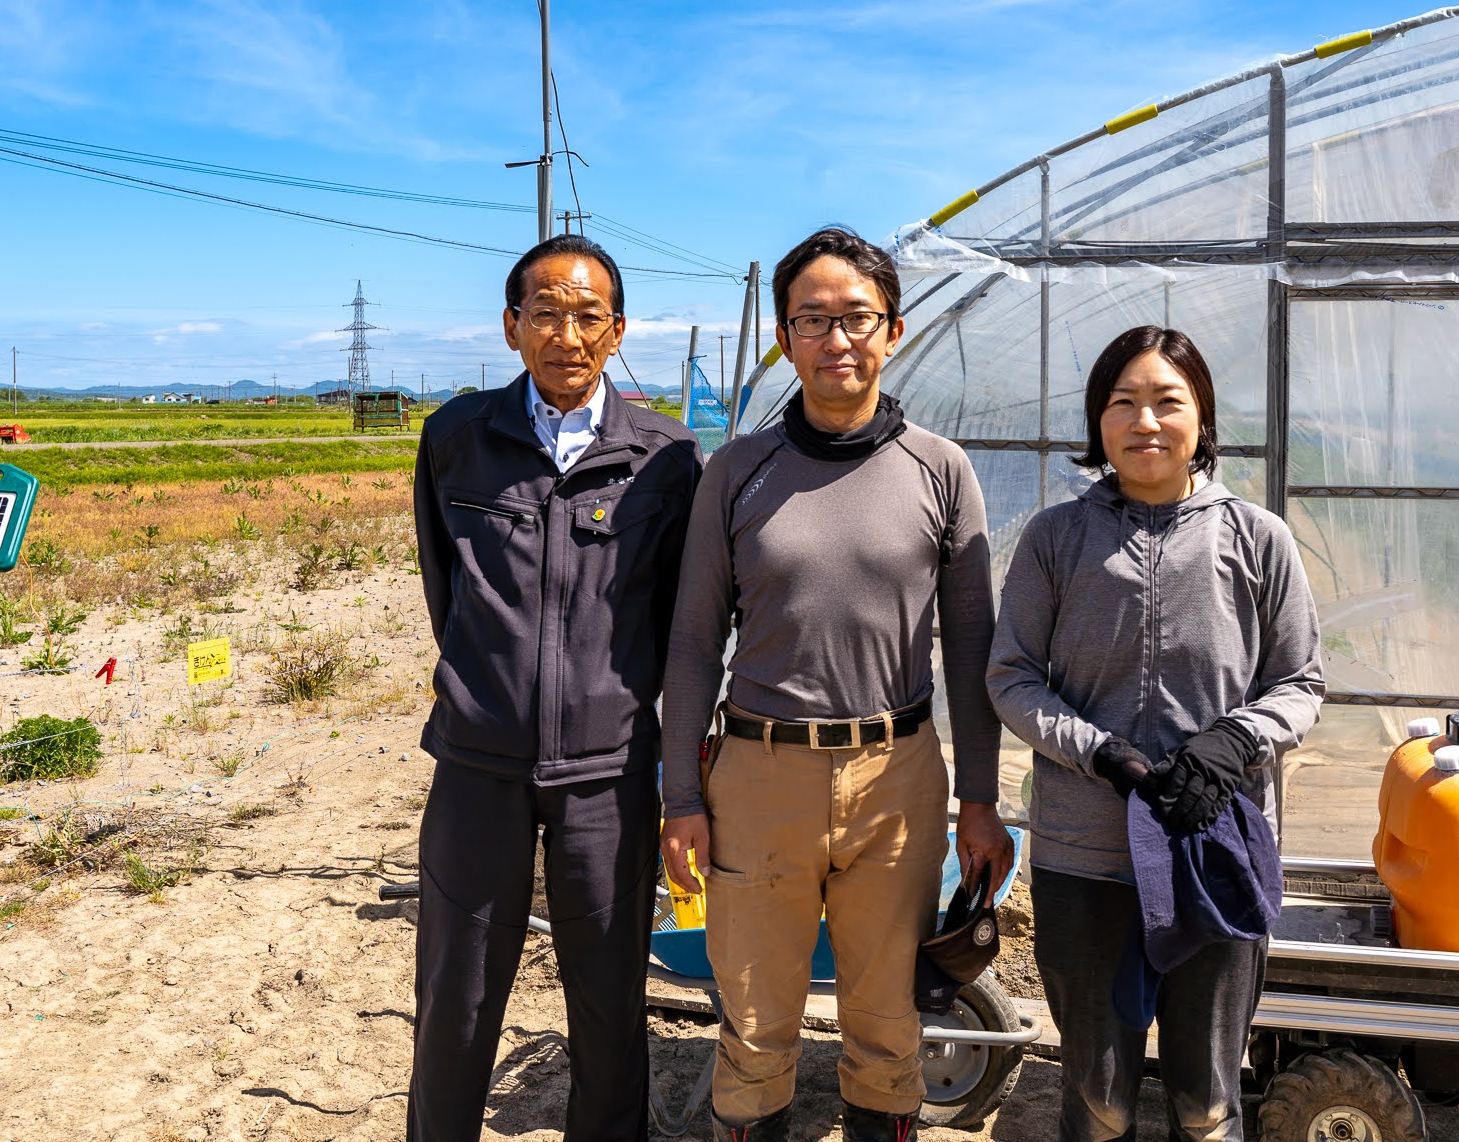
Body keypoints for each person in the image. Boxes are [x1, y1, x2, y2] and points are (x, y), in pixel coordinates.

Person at [658, 226, 1014, 1142]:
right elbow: (696, 642)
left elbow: (971, 645)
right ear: (785, 339)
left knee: (887, 1020)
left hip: (896, 774)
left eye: (856, 316)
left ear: (893, 331)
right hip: (759, 774)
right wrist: (680, 796)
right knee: (755, 1020)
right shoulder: (738, 471)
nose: (837, 338)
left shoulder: (939, 469)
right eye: (811, 320)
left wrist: (981, 799)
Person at [988, 325, 1323, 1142]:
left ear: (1201, 417)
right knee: (1099, 1095)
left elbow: (1302, 681)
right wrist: (1095, 748)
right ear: (1098, 424)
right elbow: (1011, 676)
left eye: (1167, 401)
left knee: (1207, 1102)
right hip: (1085, 852)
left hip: (1217, 849)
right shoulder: (1056, 539)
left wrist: (1236, 741)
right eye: (1122, 402)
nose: (1145, 420)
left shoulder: (1257, 538)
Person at [407, 234, 704, 1142]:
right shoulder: (458, 439)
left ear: (617, 332)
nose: (565, 335)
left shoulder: (665, 456)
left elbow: (678, 621)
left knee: (609, 1005)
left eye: (587, 316)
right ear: (511, 326)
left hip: (609, 774)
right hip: (476, 766)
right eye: (545, 311)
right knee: (455, 1001)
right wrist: (483, 693)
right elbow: (443, 587)